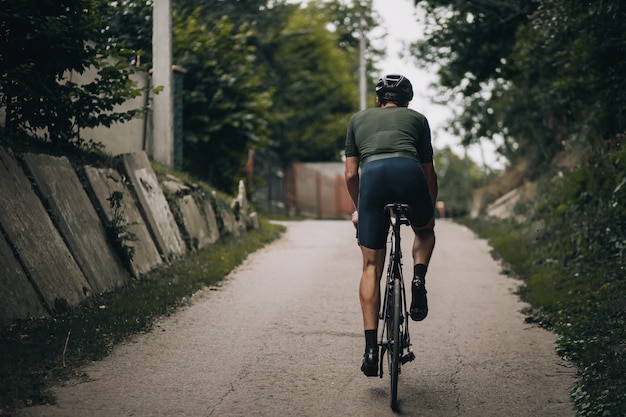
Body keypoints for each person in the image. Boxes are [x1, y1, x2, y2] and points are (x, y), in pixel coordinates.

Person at [344, 74, 438, 377]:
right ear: (407, 101)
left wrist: (361, 208)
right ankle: (418, 279)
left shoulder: (358, 120)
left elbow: (349, 174)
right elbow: (428, 171)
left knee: (370, 266)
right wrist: (428, 208)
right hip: (409, 174)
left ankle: (371, 350)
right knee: (424, 231)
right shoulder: (418, 120)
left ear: (378, 99)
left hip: (373, 180)